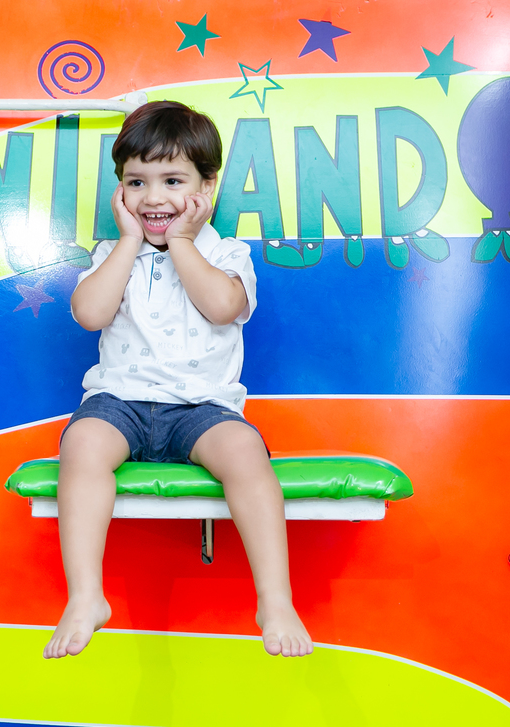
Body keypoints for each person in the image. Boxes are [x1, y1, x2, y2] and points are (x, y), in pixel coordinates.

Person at [44, 100, 313, 661]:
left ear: (206, 187)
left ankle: (276, 599)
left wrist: (184, 242)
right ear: (119, 191)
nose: (154, 198)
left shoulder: (225, 252)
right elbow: (89, 313)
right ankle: (85, 596)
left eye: (172, 180)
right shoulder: (112, 253)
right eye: (136, 182)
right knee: (82, 443)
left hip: (202, 408)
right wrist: (125, 243)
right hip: (121, 403)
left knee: (244, 452)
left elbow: (221, 307)